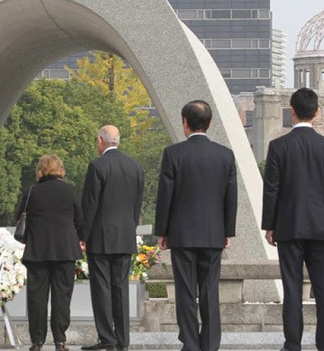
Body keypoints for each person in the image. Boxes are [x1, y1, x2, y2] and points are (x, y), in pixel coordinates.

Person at [262, 88, 324, 351]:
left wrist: (269, 225)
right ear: (317, 112)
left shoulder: (278, 146)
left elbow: (271, 188)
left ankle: (292, 345)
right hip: (321, 228)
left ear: (292, 111)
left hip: (288, 227)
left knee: (292, 290)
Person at [154, 100, 238, 351]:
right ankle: (210, 344)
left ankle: (190, 343)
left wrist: (162, 231)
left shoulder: (173, 154)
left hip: (181, 234)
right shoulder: (225, 155)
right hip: (214, 234)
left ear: (185, 123)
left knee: (185, 292)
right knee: (210, 292)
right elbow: (230, 197)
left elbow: (165, 195)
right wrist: (227, 231)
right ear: (210, 123)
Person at [80, 125, 144, 351]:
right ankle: (123, 339)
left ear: (100, 141)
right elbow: (137, 206)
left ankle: (107, 338)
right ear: (119, 141)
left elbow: (90, 204)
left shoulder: (97, 166)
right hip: (125, 236)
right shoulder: (135, 167)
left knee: (102, 288)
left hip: (101, 237)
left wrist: (83, 236)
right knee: (121, 288)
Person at [15, 155, 84, 351]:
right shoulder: (69, 191)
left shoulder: (31, 192)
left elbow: (18, 216)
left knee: (37, 297)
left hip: (37, 251)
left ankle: (37, 340)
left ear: (40, 170)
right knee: (62, 297)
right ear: (60, 169)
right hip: (65, 251)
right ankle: (60, 340)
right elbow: (80, 220)